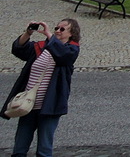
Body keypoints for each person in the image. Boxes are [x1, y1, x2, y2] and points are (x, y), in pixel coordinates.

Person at [4, 18, 80, 157]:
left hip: (50, 105)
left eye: (62, 29)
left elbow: (63, 55)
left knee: (44, 149)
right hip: (28, 103)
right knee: (20, 147)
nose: (58, 31)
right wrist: (28, 33)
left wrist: (49, 34)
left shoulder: (72, 49)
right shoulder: (41, 46)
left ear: (71, 33)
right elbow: (19, 49)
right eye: (56, 28)